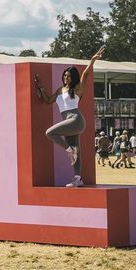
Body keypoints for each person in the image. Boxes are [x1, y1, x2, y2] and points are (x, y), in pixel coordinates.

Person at [34, 47, 104, 187]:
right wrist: (40, 86)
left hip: (76, 120)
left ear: (73, 78)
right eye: (65, 75)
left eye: (69, 76)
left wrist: (93, 60)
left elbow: (86, 74)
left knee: (49, 132)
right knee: (76, 152)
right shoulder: (60, 90)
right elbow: (48, 100)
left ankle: (69, 150)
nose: (66, 78)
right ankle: (78, 179)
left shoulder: (77, 88)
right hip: (69, 122)